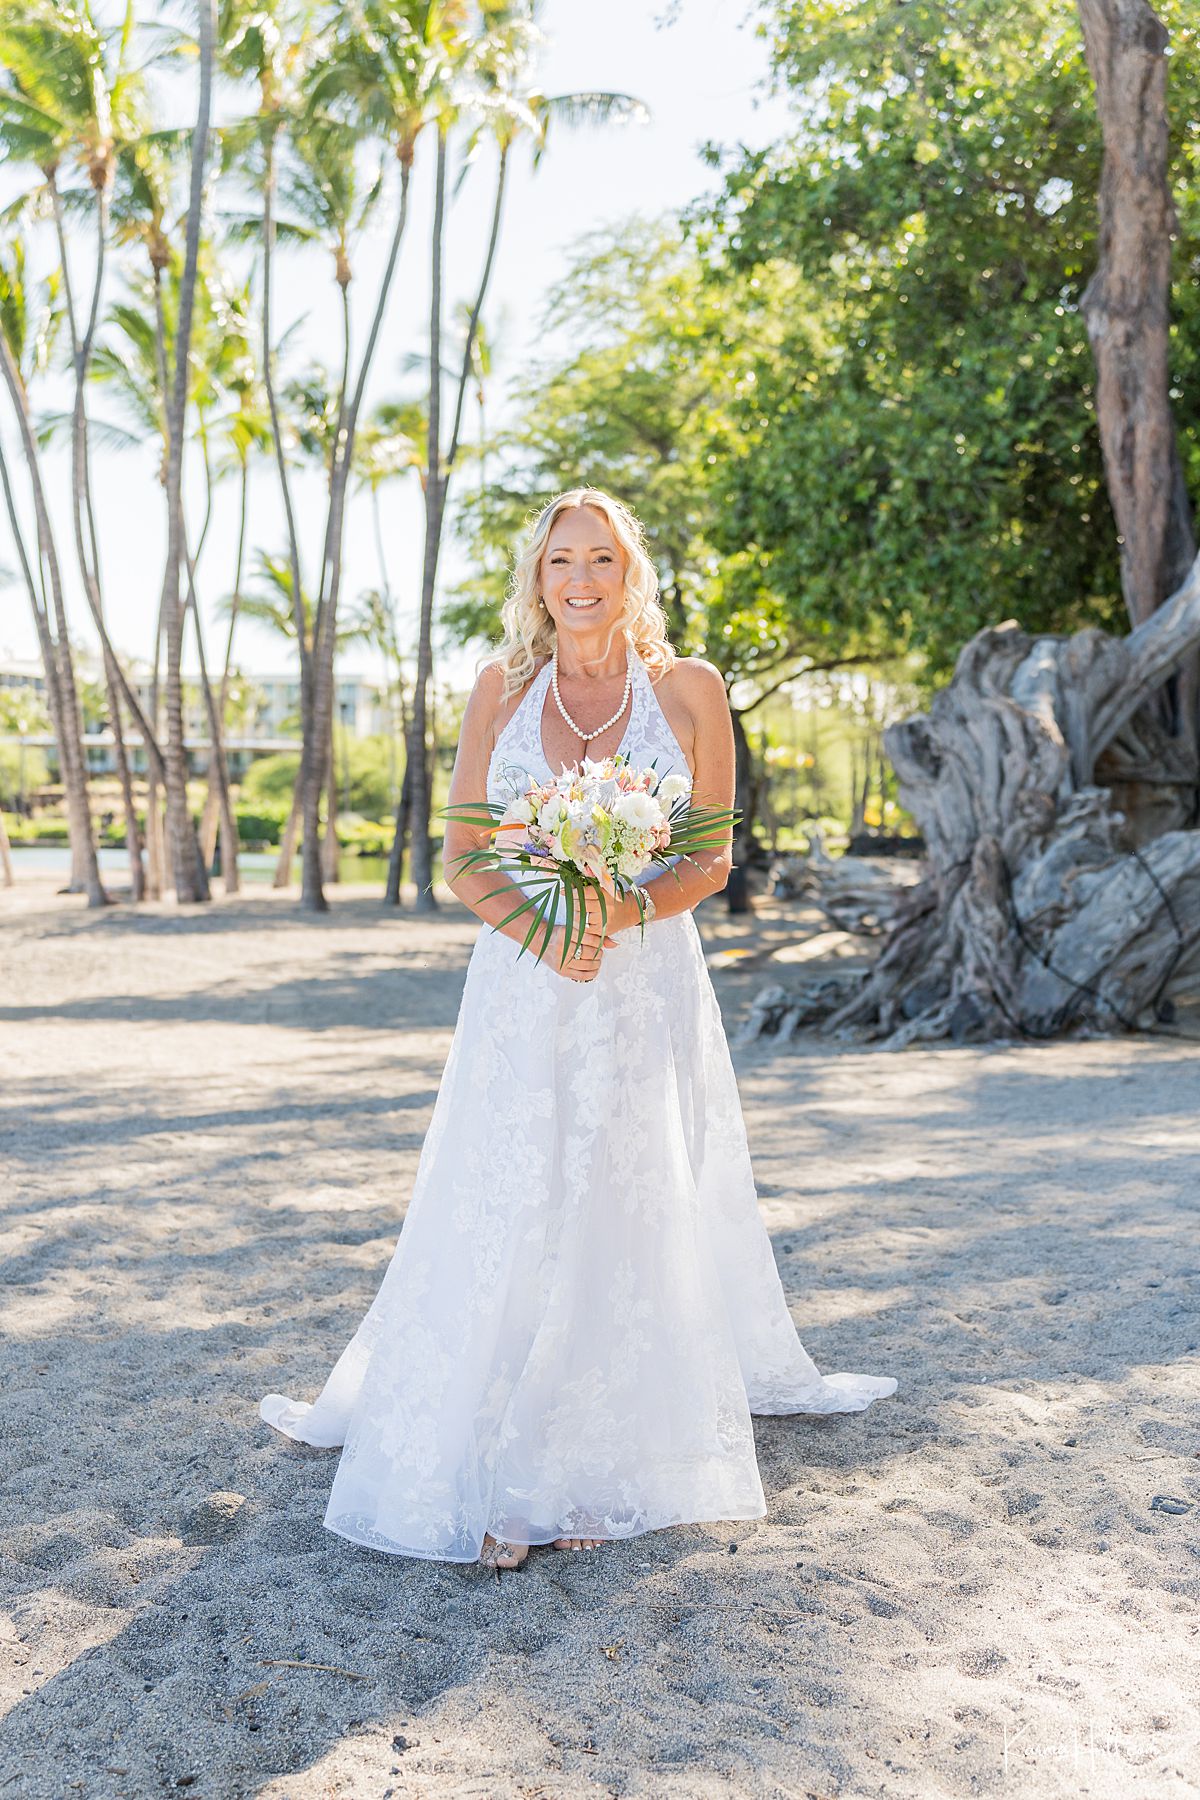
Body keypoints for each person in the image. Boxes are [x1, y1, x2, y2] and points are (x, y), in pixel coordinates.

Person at [259, 487, 897, 1568]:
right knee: (512, 1182)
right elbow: (464, 857)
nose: (583, 579)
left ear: (630, 570)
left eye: (602, 558)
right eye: (563, 561)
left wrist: (620, 907)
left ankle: (583, 1452)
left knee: (616, 1184)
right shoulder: (500, 689)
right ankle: (488, 1419)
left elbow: (708, 859)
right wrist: (548, 931)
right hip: (522, 979)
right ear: (538, 578)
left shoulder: (690, 690)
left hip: (642, 980)